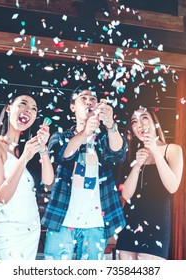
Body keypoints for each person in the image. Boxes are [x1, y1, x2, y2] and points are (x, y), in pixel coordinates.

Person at [41, 87, 128, 260]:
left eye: (93, 99)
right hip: (62, 221)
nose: (89, 101)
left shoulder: (103, 140)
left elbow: (119, 154)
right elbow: (63, 156)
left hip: (96, 223)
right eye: (83, 98)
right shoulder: (60, 137)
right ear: (73, 107)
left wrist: (111, 126)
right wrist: (85, 132)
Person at [0, 93, 54, 260]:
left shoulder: (26, 148)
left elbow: (49, 182)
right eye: (23, 104)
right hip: (9, 230)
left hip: (31, 228)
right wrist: (25, 158)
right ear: (8, 108)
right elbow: (2, 196)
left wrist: (43, 149)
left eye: (34, 109)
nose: (28, 110)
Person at [115, 106, 183, 260]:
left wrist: (155, 152)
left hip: (156, 227)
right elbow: (126, 194)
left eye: (144, 117)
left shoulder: (172, 150)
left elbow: (173, 187)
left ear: (154, 123)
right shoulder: (134, 154)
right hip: (130, 225)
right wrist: (137, 165)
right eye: (134, 121)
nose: (139, 124)